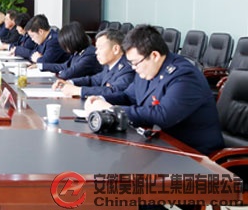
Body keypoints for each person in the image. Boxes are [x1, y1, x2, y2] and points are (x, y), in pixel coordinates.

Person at [85, 24, 224, 156]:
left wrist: (111, 109)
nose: (133, 68)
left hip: (192, 152)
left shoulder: (184, 76)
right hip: (161, 144)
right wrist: (101, 99)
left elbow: (162, 115)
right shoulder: (147, 68)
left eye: (135, 63)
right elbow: (128, 96)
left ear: (154, 56)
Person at [52, 28, 134, 98]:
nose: (96, 52)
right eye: (96, 48)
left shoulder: (127, 68)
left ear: (116, 49)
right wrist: (70, 82)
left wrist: (78, 91)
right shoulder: (109, 65)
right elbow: (92, 80)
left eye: (100, 48)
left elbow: (113, 91)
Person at [37, 21, 102, 79]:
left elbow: (68, 74)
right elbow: (65, 66)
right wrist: (42, 66)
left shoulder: (89, 55)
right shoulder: (78, 52)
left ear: (72, 42)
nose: (65, 49)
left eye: (65, 45)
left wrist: (60, 73)